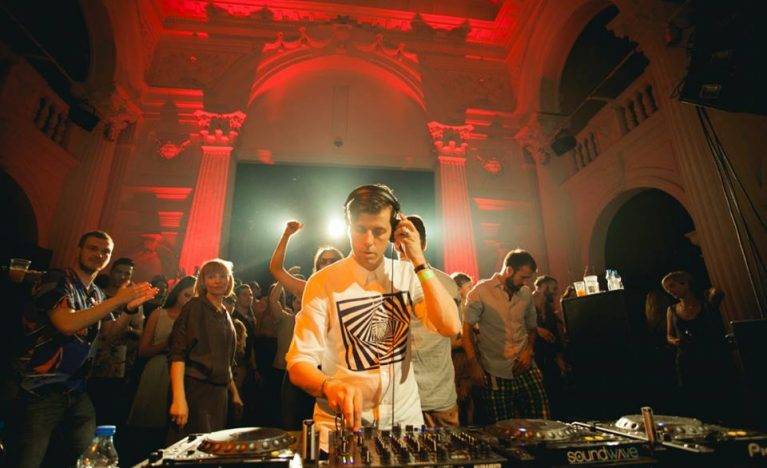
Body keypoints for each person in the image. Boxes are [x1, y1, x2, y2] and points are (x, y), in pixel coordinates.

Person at [286, 184, 460, 448]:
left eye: (378, 231)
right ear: (348, 227)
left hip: (405, 426)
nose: (368, 241)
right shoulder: (322, 282)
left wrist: (419, 261)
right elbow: (299, 362)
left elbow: (450, 326)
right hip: (341, 427)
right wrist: (327, 385)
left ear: (393, 232)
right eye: (360, 229)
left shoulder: (407, 274)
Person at [13, 231, 156, 468]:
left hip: (76, 388)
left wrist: (129, 309)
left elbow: (108, 335)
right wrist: (117, 300)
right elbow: (66, 324)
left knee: (88, 457)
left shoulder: (96, 293)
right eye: (93, 248)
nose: (99, 254)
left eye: (105, 251)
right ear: (78, 250)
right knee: (28, 459)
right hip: (40, 389)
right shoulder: (57, 279)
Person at [462, 249, 550, 422]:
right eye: (523, 277)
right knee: (503, 428)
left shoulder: (525, 293)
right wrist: (473, 364)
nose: (525, 283)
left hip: (526, 367)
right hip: (496, 371)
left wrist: (529, 351)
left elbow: (532, 327)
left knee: (543, 422)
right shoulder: (480, 292)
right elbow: (467, 332)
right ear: (509, 270)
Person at [167, 259, 243, 443]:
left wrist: (234, 393)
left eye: (222, 276)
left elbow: (225, 360)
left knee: (212, 449)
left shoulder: (225, 312)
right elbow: (177, 353)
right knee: (190, 449)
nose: (217, 280)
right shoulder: (194, 307)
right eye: (211, 276)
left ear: (229, 280)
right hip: (196, 390)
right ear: (203, 281)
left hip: (219, 395)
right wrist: (179, 398)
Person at [402, 215, 461, 427]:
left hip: (439, 396)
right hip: (403, 399)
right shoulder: (386, 282)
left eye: (409, 240)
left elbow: (455, 335)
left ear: (423, 244)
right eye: (399, 242)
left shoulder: (445, 282)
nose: (403, 247)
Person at [127, 276, 195, 446]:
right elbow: (143, 350)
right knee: (150, 423)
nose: (189, 300)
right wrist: (167, 344)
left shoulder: (195, 319)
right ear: (177, 293)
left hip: (184, 372)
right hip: (158, 369)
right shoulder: (159, 314)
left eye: (194, 297)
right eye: (186, 295)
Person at [662, 271, 734, 422]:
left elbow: (718, 293)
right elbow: (669, 335)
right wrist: (675, 341)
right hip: (686, 360)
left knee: (717, 399)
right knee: (695, 402)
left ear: (685, 283)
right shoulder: (672, 310)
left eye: (672, 286)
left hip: (708, 356)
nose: (670, 291)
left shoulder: (704, 304)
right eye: (667, 289)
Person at [89, 257, 145, 425]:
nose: (122, 276)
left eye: (127, 274)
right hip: (91, 354)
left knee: (106, 404)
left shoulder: (133, 301)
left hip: (117, 360)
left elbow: (140, 332)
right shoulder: (97, 294)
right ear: (111, 272)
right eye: (119, 272)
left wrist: (125, 329)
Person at [269, 220, 343, 299]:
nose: (328, 264)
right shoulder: (309, 289)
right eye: (323, 261)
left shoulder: (350, 287)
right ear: (318, 266)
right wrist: (286, 235)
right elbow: (276, 269)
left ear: (341, 264)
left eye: (333, 261)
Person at [532, 275, 568, 418]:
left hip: (549, 359)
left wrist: (559, 358)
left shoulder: (548, 308)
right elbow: (517, 325)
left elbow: (555, 337)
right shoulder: (526, 304)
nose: (555, 292)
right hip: (533, 358)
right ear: (541, 287)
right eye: (553, 289)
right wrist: (537, 330)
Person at [450, 272, 477, 425]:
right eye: (469, 287)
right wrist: (467, 340)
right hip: (457, 361)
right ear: (458, 289)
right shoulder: (452, 308)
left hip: (467, 359)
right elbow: (450, 342)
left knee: (470, 399)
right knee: (461, 398)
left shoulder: (468, 307)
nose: (472, 290)